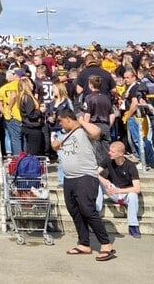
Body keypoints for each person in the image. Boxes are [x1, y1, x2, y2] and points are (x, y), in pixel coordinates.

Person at [51, 107, 115, 261]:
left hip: (85, 177)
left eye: (61, 121)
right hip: (69, 178)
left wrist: (80, 121)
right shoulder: (66, 136)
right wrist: (55, 144)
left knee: (88, 210)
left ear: (68, 119)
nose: (60, 125)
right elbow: (58, 147)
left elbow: (96, 132)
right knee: (75, 211)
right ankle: (83, 243)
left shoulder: (84, 131)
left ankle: (106, 244)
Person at [96, 141, 141, 238]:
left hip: (125, 193)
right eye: (109, 151)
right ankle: (96, 211)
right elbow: (94, 172)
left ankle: (133, 225)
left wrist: (119, 191)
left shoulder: (130, 166)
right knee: (97, 181)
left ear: (120, 153)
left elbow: (137, 188)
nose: (109, 153)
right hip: (112, 189)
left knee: (133, 195)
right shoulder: (108, 160)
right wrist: (103, 180)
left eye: (112, 152)